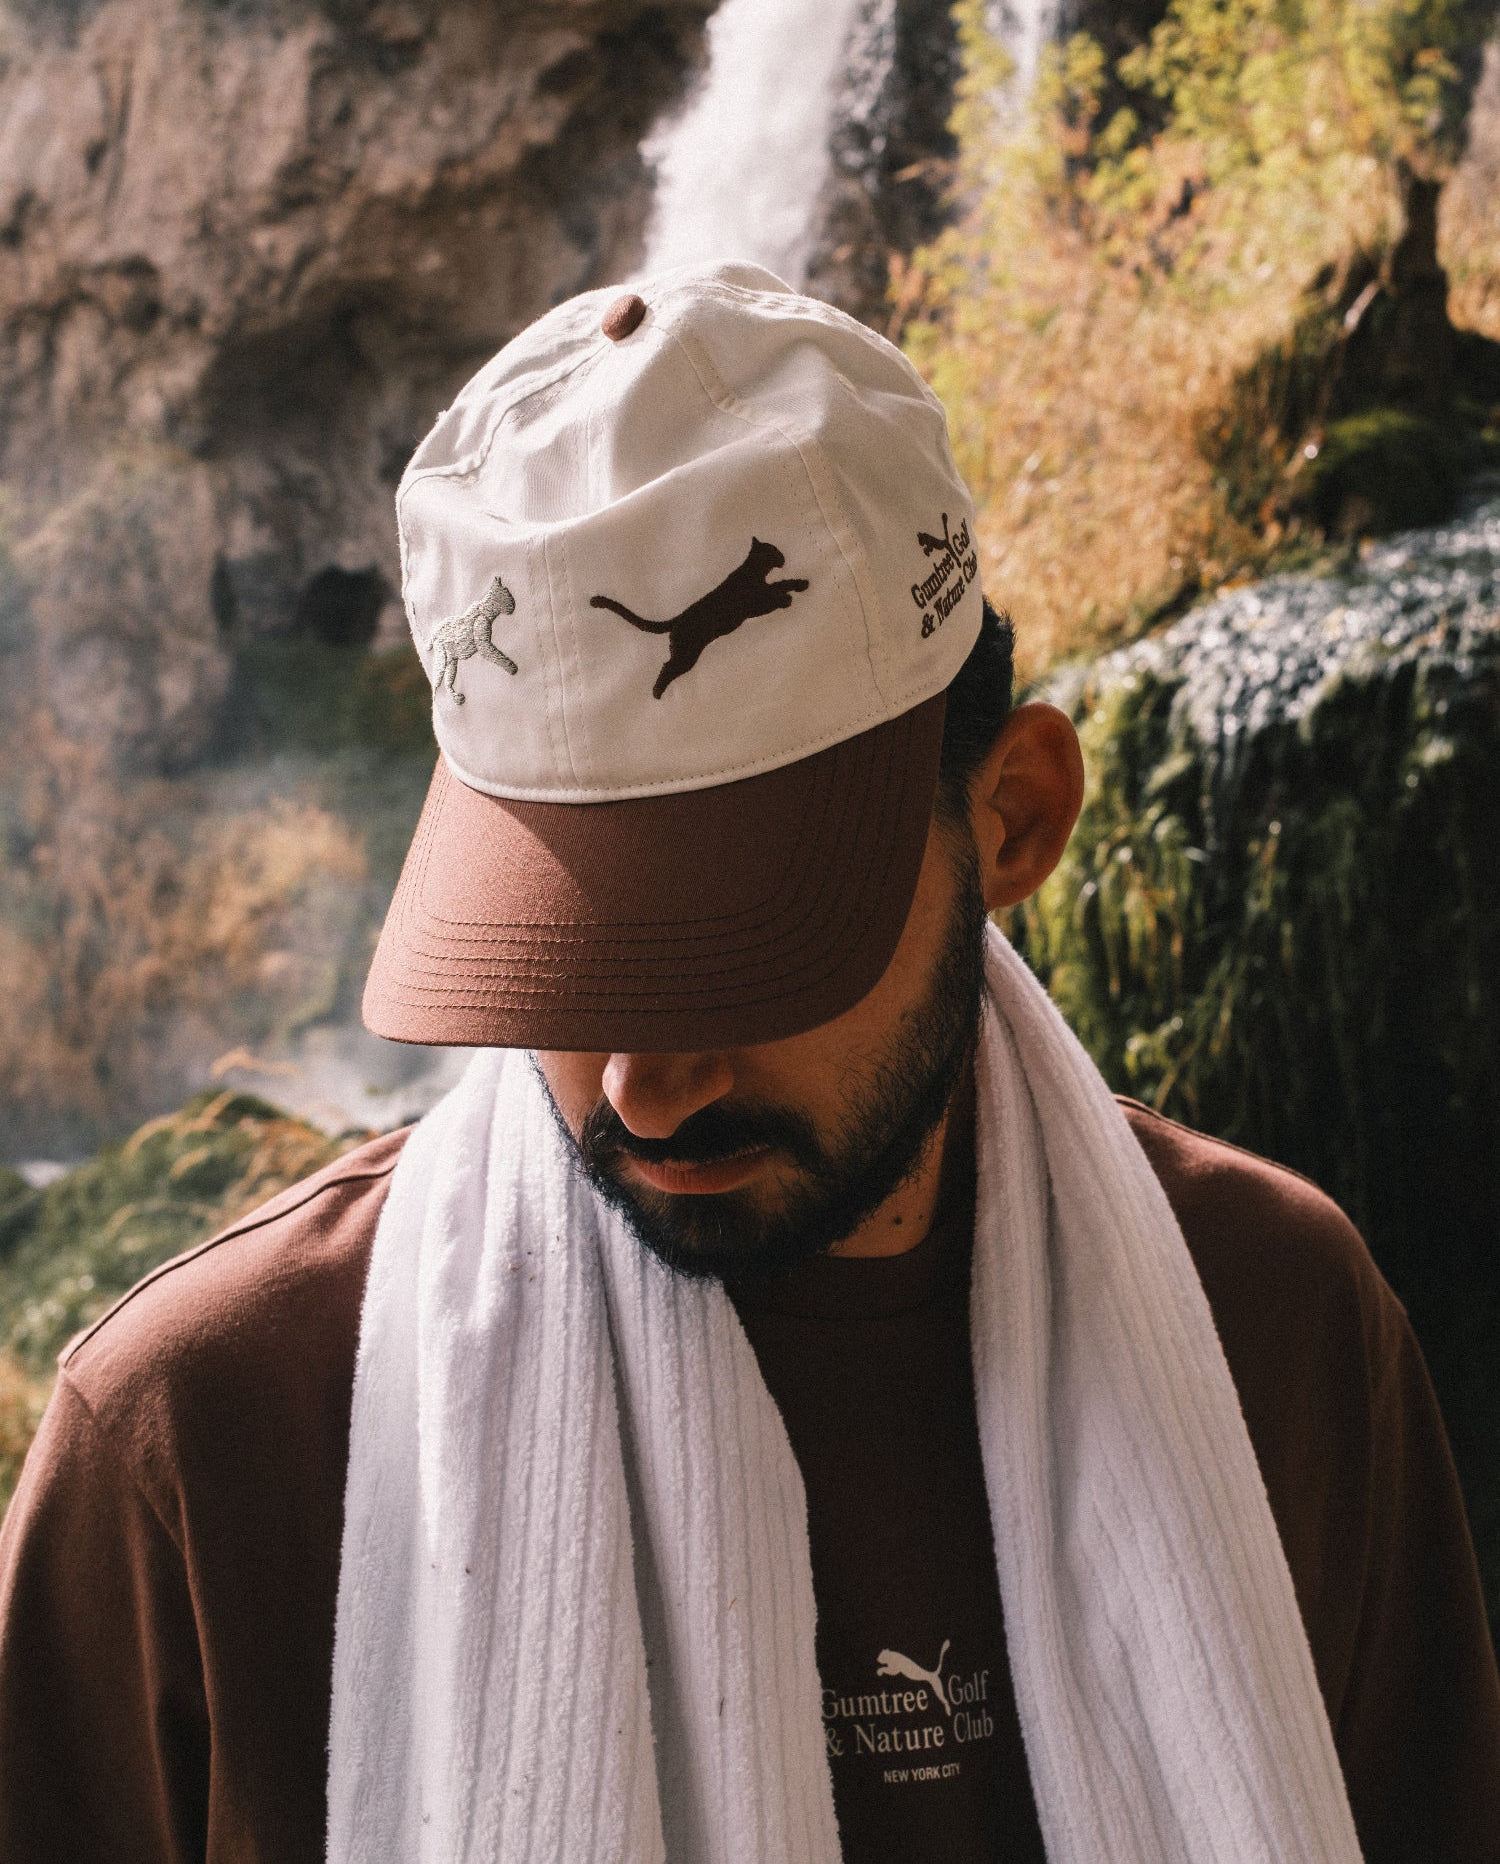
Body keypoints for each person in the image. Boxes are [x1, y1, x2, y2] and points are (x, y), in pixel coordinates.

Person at [1, 262, 1496, 1864]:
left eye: (746, 954)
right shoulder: (201, 1445)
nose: (643, 1089)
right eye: (570, 965)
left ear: (1013, 821)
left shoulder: (1281, 1323)